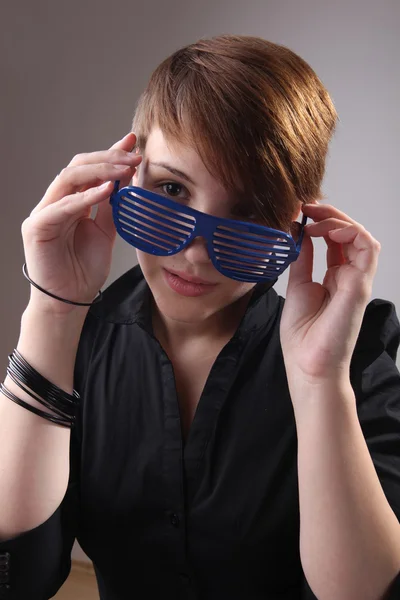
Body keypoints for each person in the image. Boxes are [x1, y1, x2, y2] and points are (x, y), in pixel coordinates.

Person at [0, 34, 399, 600]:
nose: (196, 252)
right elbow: (18, 576)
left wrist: (318, 385)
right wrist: (52, 306)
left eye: (247, 211)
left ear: (296, 225)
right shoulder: (75, 346)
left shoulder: (353, 364)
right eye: (170, 189)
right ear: (124, 177)